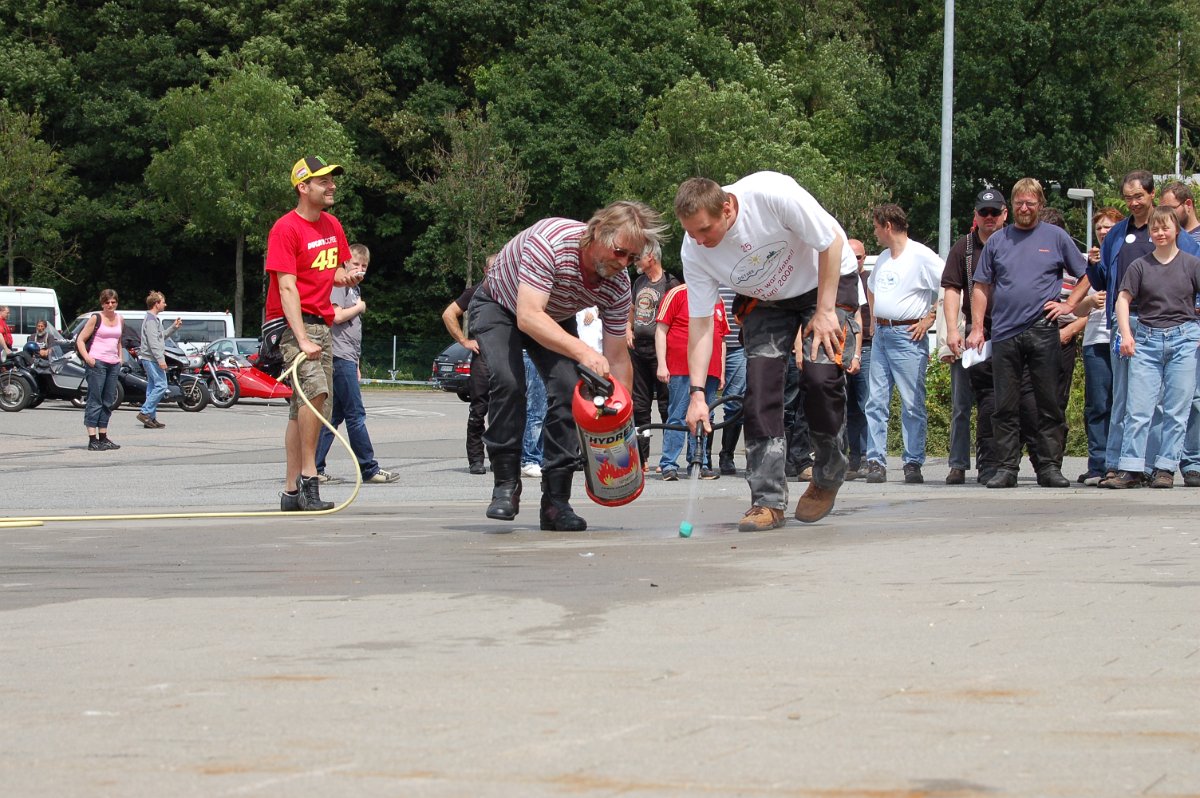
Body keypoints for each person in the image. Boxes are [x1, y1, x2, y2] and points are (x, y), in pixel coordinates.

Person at [675, 172, 858, 531]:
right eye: (691, 232)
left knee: (820, 379)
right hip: (765, 300)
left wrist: (824, 312)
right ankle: (766, 501)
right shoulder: (693, 250)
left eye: (705, 230)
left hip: (824, 280)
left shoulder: (771, 194)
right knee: (759, 395)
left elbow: (832, 244)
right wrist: (697, 394)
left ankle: (827, 474)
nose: (699, 240)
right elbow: (700, 325)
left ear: (727, 208)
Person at [468, 202, 666, 531]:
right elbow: (528, 316)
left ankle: (556, 503)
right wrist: (584, 352)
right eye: (619, 252)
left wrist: (621, 415)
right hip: (501, 306)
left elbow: (617, 357)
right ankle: (506, 484)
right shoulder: (551, 242)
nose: (623, 264)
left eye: (631, 258)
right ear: (596, 232)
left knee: (568, 392)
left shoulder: (617, 286)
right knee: (508, 382)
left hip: (554, 318)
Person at [1071, 171, 1200, 488]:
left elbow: (1191, 271)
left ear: (1151, 195)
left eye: (1138, 196)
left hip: (1170, 325)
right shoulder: (1117, 233)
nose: (1133, 203)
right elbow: (1104, 280)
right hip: (1127, 323)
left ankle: (1161, 467)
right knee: (1127, 400)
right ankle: (1117, 465)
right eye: (1128, 197)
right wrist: (1092, 264)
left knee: (1167, 404)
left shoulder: (1172, 232)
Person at [967, 178, 1087, 488]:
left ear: (1040, 205)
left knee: (1047, 403)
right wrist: (978, 328)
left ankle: (1049, 468)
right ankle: (1006, 468)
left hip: (1042, 329)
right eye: (1019, 202)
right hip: (1005, 333)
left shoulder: (1056, 237)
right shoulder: (997, 240)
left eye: (1030, 203)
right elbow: (981, 286)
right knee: (1004, 404)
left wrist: (1069, 304)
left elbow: (1087, 274)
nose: (1024, 208)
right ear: (1011, 206)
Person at [265, 155, 362, 512]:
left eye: (333, 179)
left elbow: (330, 273)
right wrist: (301, 339)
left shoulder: (332, 225)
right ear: (303, 187)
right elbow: (287, 288)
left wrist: (346, 277)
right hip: (291, 323)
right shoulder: (285, 229)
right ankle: (310, 478)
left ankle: (290, 492)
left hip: (322, 324)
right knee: (315, 394)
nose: (332, 185)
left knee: (303, 407)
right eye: (323, 181)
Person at [1108, 206, 1200, 489]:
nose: (1160, 233)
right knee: (1138, 408)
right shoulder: (1140, 266)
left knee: (1176, 409)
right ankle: (1131, 467)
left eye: (1165, 228)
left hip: (1184, 338)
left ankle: (1165, 468)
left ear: (1176, 231)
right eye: (1155, 229)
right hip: (1146, 340)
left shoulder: (1191, 263)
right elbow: (1122, 300)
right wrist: (1126, 334)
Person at [863, 203, 941, 485]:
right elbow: (871, 287)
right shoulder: (884, 257)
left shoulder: (921, 256)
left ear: (887, 226)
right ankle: (875, 460)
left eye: (875, 226)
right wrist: (873, 318)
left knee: (911, 403)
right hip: (883, 333)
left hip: (908, 336)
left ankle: (912, 461)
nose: (874, 232)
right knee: (876, 401)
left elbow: (948, 285)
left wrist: (929, 317)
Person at [314, 244, 399, 484]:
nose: (360, 269)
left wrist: (357, 362)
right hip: (339, 356)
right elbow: (336, 316)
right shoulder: (340, 287)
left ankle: (314, 467)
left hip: (348, 358)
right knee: (356, 414)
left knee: (334, 416)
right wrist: (360, 306)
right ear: (344, 265)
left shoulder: (354, 288)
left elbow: (353, 332)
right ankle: (368, 468)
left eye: (364, 266)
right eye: (355, 264)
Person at [1071, 208, 1123, 484]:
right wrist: (1090, 302)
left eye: (1109, 227)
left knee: (1122, 403)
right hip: (1096, 340)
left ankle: (1122, 463)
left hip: (1122, 338)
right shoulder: (1087, 263)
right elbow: (1074, 308)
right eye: (1100, 228)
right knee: (1097, 405)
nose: (1104, 231)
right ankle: (1098, 464)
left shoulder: (1126, 256)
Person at [655, 283, 728, 480]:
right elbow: (661, 329)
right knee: (678, 415)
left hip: (710, 370)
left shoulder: (717, 299)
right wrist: (662, 363)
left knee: (705, 418)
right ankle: (668, 463)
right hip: (680, 366)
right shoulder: (677, 293)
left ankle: (699, 462)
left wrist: (720, 371)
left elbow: (721, 338)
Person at [628, 244, 680, 470]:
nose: (635, 261)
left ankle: (667, 459)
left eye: (639, 257)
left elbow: (678, 318)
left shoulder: (671, 283)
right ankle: (643, 457)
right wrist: (628, 329)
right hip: (638, 350)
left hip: (662, 351)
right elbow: (631, 308)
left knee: (666, 405)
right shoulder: (638, 282)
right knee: (640, 406)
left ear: (651, 257)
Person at [441, 255, 494, 475]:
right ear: (484, 270)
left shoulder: (514, 291)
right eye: (492, 269)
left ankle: (501, 458)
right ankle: (476, 459)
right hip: (482, 357)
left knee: (505, 410)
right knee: (479, 409)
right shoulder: (474, 292)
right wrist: (463, 341)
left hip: (506, 357)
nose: (496, 273)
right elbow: (448, 313)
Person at [75, 289, 125, 451]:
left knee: (107, 401)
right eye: (107, 302)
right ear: (102, 303)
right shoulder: (96, 318)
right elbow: (80, 340)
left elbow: (118, 340)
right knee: (95, 399)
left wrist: (120, 358)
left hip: (113, 363)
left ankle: (103, 437)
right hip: (97, 363)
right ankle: (92, 439)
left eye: (113, 302)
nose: (110, 305)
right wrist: (88, 358)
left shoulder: (120, 319)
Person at [844, 239, 871, 480]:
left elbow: (859, 320)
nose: (855, 262)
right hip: (840, 349)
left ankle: (866, 455)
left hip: (866, 347)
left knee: (866, 405)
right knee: (847, 408)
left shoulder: (868, 279)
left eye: (859, 258)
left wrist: (857, 353)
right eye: (850, 257)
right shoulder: (841, 275)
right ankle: (850, 457)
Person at [134, 291, 182, 429]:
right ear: (156, 304)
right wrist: (161, 360)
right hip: (151, 358)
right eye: (163, 302)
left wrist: (173, 328)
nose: (165, 304)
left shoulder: (153, 319)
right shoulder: (150, 320)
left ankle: (150, 418)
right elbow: (153, 343)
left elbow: (160, 337)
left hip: (150, 358)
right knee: (161, 385)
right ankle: (144, 412)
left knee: (152, 388)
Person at [716, 284, 747, 475]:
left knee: (735, 402)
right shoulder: (711, 268)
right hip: (713, 344)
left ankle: (726, 455)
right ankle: (700, 458)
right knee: (707, 403)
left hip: (738, 344)